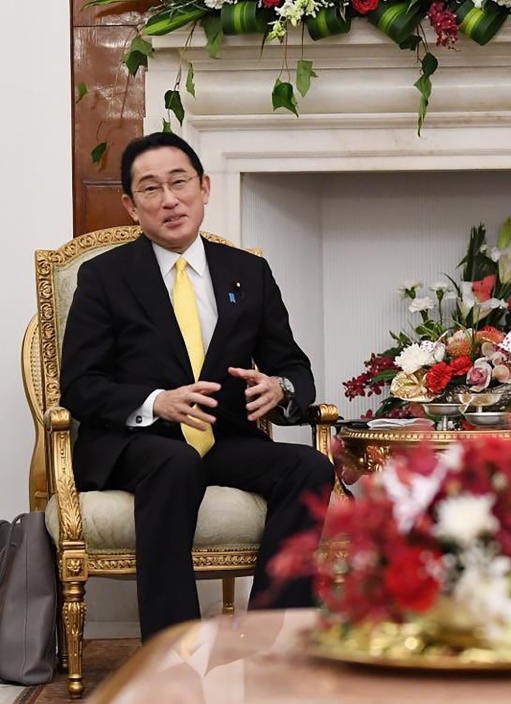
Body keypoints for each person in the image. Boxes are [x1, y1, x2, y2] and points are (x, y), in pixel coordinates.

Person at [60, 132, 346, 641]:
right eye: (150, 189)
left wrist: (279, 387)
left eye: (180, 183)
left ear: (204, 187)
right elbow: (80, 386)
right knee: (175, 463)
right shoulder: (104, 277)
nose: (169, 200)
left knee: (309, 466)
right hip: (134, 444)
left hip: (221, 438)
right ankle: (176, 653)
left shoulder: (249, 273)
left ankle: (267, 639)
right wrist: (156, 403)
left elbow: (295, 368)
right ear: (130, 204)